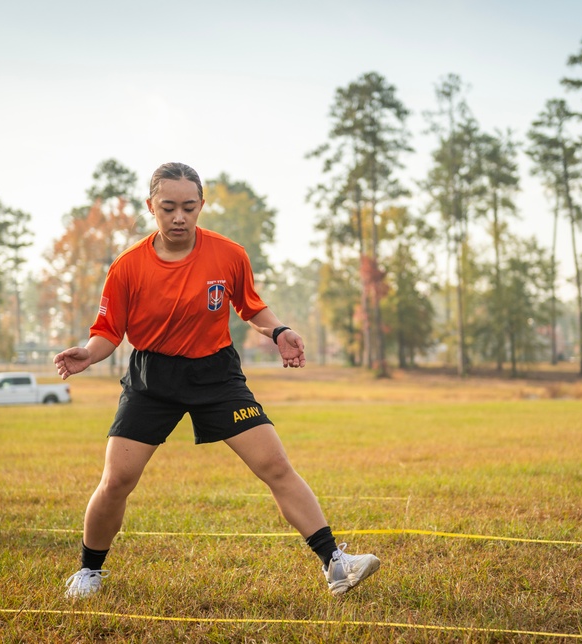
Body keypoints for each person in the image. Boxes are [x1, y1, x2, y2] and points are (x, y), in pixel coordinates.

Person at [55, 162, 379, 599]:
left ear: (201, 205)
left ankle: (335, 563)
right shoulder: (127, 267)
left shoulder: (228, 254)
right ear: (151, 206)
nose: (179, 217)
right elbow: (109, 331)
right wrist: (88, 355)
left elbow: (251, 307)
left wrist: (281, 331)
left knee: (276, 466)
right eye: (168, 207)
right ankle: (89, 572)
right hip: (154, 378)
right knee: (116, 480)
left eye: (189, 207)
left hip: (216, 374)